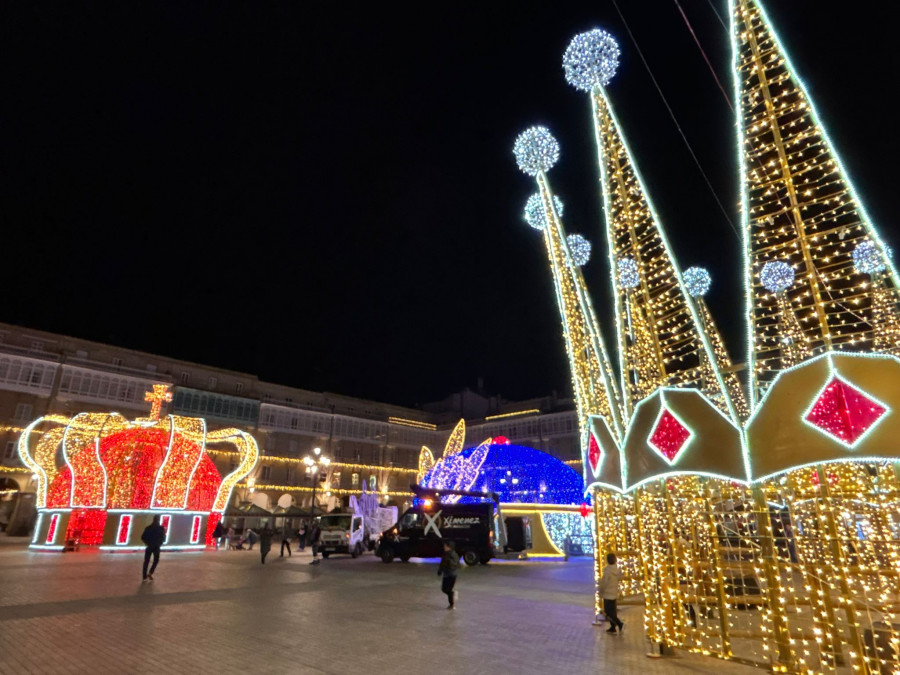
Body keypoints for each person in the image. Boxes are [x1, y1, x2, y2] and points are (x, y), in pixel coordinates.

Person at [598, 552, 624, 634]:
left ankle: (619, 623)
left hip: (607, 593)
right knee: (613, 611)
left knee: (608, 611)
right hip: (614, 593)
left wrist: (601, 592)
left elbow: (604, 583)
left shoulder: (607, 571)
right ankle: (613, 627)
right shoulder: (616, 570)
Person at [141, 515, 166, 581]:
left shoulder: (148, 528)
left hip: (149, 546)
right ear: (159, 520)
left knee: (146, 561)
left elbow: (143, 537)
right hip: (156, 546)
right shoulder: (161, 528)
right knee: (156, 560)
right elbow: (163, 538)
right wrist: (160, 543)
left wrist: (147, 543)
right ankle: (150, 572)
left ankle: (144, 576)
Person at [437, 540, 460, 609]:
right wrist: (440, 571)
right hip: (446, 574)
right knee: (444, 589)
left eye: (445, 546)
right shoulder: (445, 554)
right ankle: (452, 596)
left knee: (449, 589)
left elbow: (456, 564)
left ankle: (451, 604)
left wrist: (449, 562)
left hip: (452, 574)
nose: (444, 547)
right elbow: (442, 563)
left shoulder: (453, 554)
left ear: (449, 547)